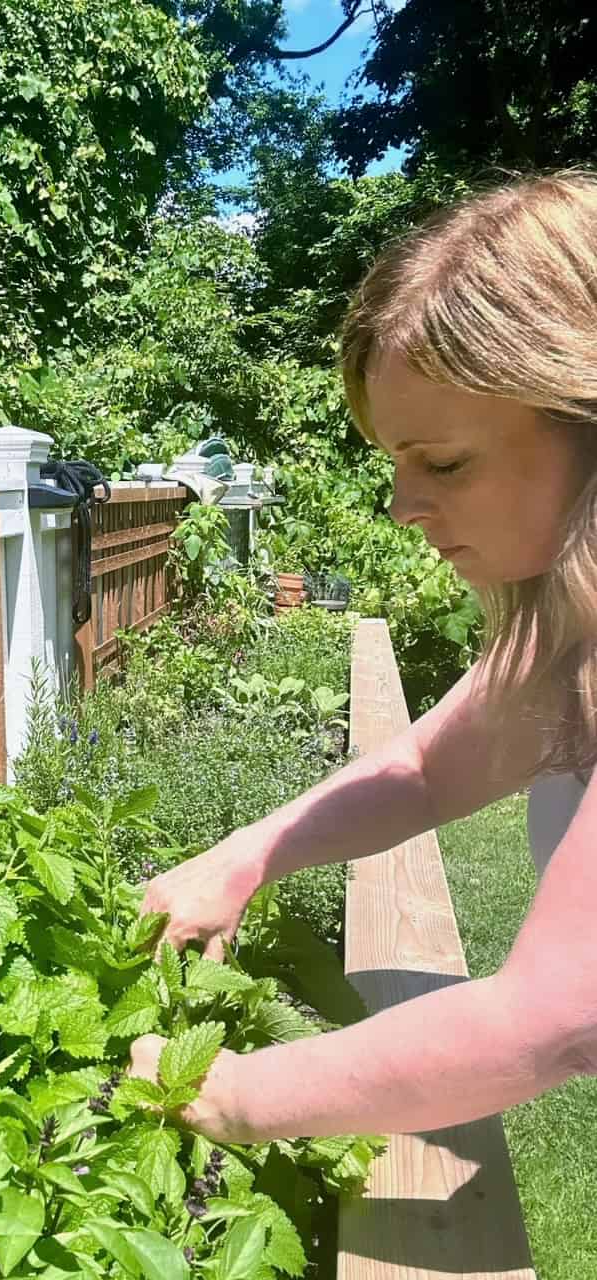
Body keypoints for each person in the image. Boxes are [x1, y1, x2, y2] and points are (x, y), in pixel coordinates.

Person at [128, 169, 597, 1144]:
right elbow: (424, 769)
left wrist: (227, 1093)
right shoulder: (568, 636)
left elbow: (556, 1009)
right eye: (394, 461)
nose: (400, 505)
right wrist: (243, 855)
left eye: (443, 461)